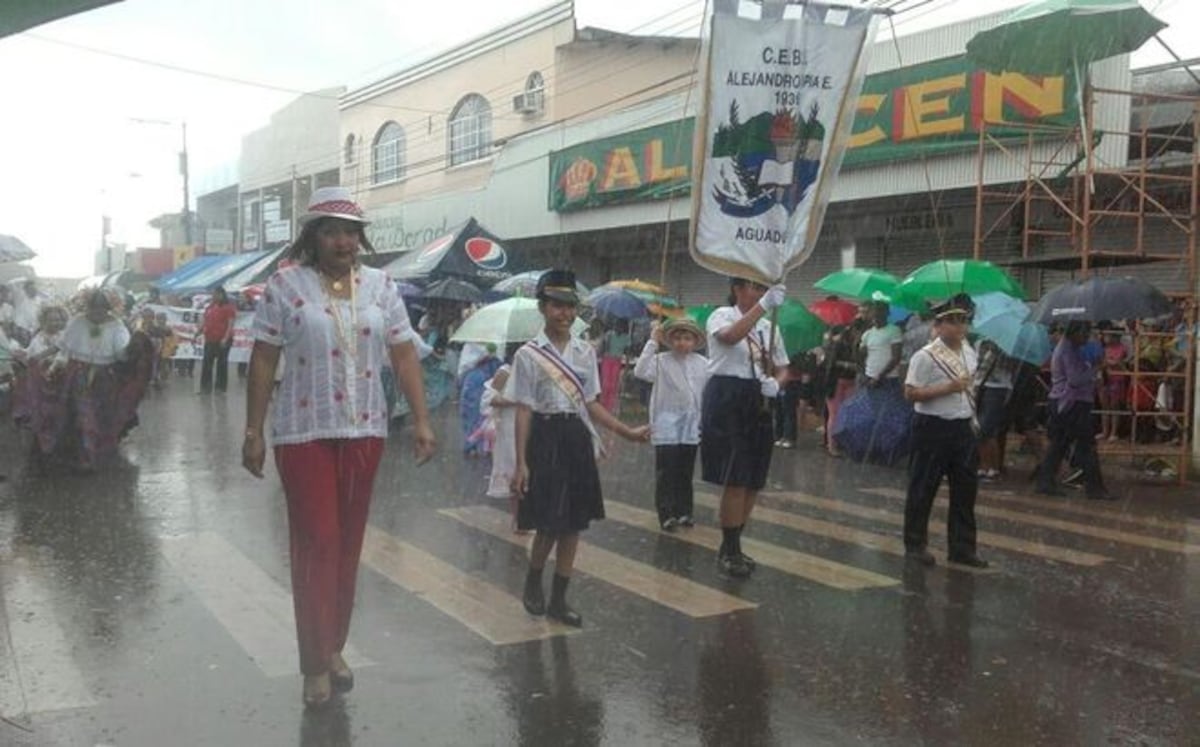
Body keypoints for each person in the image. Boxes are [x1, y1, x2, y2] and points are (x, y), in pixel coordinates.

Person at [240, 186, 436, 709]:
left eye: (351, 231)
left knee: (348, 548)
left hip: (365, 430)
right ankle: (312, 664)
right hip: (304, 432)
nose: (343, 241)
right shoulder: (285, 285)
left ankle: (333, 647)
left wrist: (421, 419)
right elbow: (263, 359)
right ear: (313, 236)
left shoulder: (380, 286)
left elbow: (403, 354)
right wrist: (253, 429)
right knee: (318, 543)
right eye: (332, 231)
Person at [511, 269, 650, 628]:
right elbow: (523, 408)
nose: (565, 314)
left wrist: (626, 432)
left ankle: (559, 599)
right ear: (542, 308)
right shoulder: (528, 355)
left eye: (571, 307)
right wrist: (521, 462)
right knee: (547, 524)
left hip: (574, 439)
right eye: (557, 306)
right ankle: (533, 580)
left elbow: (591, 403)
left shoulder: (584, 351)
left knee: (573, 525)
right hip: (543, 437)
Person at [700, 277, 790, 578]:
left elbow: (783, 364)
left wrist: (777, 382)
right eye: (755, 288)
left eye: (764, 290)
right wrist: (764, 307)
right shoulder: (722, 315)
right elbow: (730, 337)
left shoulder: (769, 326)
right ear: (737, 289)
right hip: (727, 396)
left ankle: (733, 544)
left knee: (754, 478)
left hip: (758, 398)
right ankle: (730, 547)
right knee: (735, 476)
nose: (761, 294)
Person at [902, 295, 987, 568]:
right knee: (923, 488)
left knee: (965, 490)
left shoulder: (969, 352)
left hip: (962, 426)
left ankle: (962, 547)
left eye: (963, 320)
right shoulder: (924, 357)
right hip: (932, 427)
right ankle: (915, 545)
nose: (959, 326)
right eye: (952, 321)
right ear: (938, 325)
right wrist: (946, 388)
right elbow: (910, 393)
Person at [32, 289, 153, 472]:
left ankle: (94, 452)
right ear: (87, 307)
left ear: (108, 309)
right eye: (93, 308)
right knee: (82, 414)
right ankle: (85, 457)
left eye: (101, 309)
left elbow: (122, 355)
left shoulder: (117, 325)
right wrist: (39, 356)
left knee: (101, 415)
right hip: (77, 375)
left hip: (105, 377)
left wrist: (136, 346)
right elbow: (61, 345)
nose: (97, 313)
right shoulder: (77, 322)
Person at [633, 317, 709, 531]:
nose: (682, 343)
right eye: (677, 338)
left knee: (685, 471)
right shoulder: (660, 361)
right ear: (670, 341)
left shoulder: (703, 364)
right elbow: (640, 371)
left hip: (691, 426)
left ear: (695, 341)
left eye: (687, 338)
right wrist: (652, 342)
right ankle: (666, 513)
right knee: (666, 471)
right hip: (666, 425)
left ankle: (684, 511)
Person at [1035, 321, 1114, 500]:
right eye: (1084, 334)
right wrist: (1095, 369)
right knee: (1084, 445)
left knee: (1060, 445)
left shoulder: (1071, 349)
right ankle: (1094, 488)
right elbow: (1076, 379)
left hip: (1068, 403)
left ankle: (1046, 481)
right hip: (1071, 403)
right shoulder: (1067, 350)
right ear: (1075, 332)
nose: (1086, 338)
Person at [481, 345, 522, 530]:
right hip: (509, 429)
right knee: (514, 470)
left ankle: (528, 515)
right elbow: (488, 400)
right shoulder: (505, 372)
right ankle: (518, 517)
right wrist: (515, 401)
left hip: (531, 426)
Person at [199, 286, 236, 393]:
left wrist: (225, 338)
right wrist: (198, 332)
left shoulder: (229, 308)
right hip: (210, 338)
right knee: (207, 363)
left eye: (215, 294)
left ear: (221, 294)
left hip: (223, 340)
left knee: (222, 364)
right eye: (212, 294)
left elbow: (230, 324)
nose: (213, 296)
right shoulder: (210, 307)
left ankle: (220, 387)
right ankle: (205, 387)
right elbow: (205, 321)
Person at [859, 301, 903, 389]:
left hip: (888, 378)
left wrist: (879, 377)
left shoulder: (894, 331)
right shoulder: (868, 333)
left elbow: (896, 357)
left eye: (880, 312)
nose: (876, 315)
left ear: (886, 314)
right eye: (874, 312)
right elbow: (861, 356)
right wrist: (863, 372)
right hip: (869, 375)